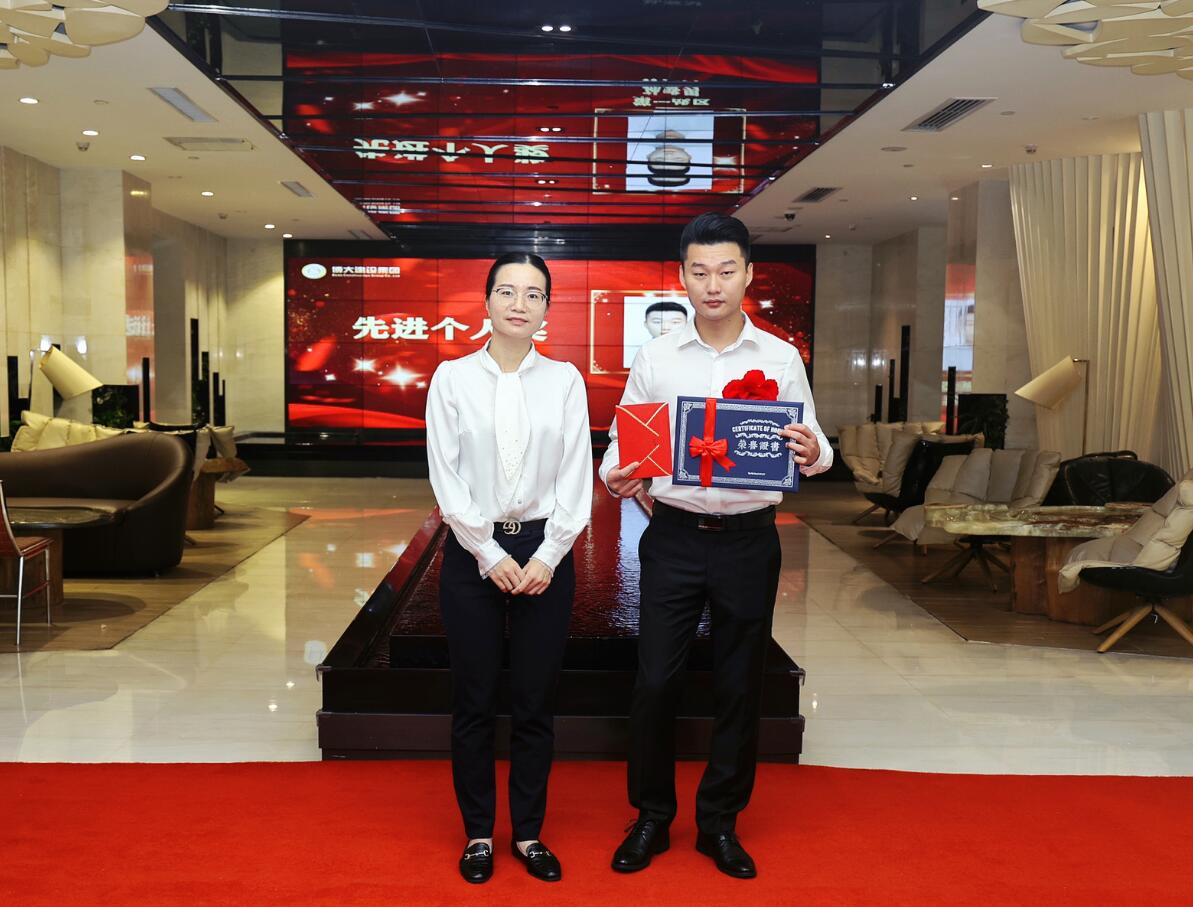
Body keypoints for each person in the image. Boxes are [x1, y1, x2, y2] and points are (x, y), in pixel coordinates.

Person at [600, 212, 831, 879]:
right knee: (654, 681)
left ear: (748, 275)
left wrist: (813, 451)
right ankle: (650, 816)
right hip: (672, 535)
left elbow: (814, 445)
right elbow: (623, 441)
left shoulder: (779, 357)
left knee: (738, 684)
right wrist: (616, 473)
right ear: (681, 277)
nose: (713, 284)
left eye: (726, 270)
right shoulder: (658, 356)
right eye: (699, 271)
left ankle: (719, 823)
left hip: (749, 541)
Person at [426, 251, 593, 885]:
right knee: (472, 700)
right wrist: (489, 553)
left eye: (533, 294)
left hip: (546, 554)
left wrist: (548, 555)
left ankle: (527, 834)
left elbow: (576, 474)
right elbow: (446, 477)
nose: (519, 304)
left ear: (547, 307)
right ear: (487, 301)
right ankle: (477, 834)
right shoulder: (452, 379)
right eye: (507, 291)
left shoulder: (566, 380)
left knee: (534, 701)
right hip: (473, 552)